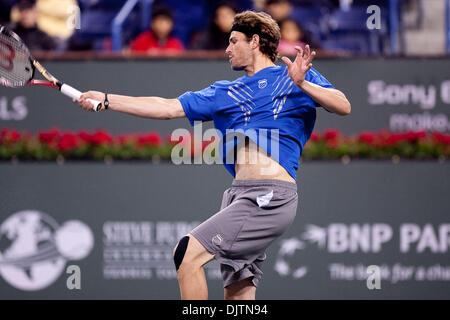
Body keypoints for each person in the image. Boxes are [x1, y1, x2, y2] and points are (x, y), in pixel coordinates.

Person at [76, 10, 351, 300]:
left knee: (187, 253)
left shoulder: (291, 76)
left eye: (233, 41)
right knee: (238, 295)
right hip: (237, 196)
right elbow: (167, 107)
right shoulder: (224, 92)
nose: (227, 49)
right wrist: (107, 100)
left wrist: (303, 84)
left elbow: (343, 105)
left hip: (269, 197)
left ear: (255, 41)